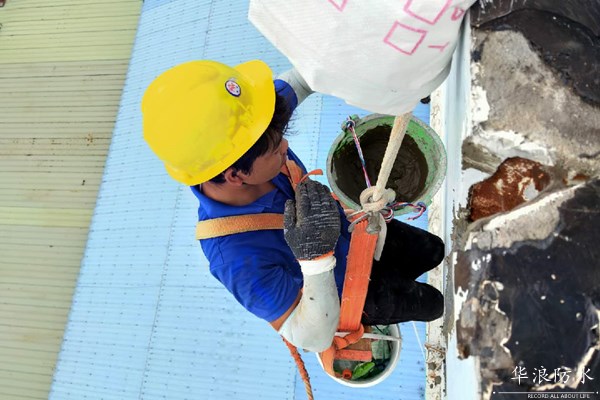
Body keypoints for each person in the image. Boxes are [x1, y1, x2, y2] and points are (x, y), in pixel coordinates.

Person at [142, 59, 444, 352]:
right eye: (276, 149)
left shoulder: (249, 125)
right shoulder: (237, 259)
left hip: (357, 232)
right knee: (433, 304)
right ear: (235, 175)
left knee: (433, 249)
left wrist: (384, 66)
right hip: (350, 292)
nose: (285, 147)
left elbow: (304, 76)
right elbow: (311, 337)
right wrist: (315, 259)